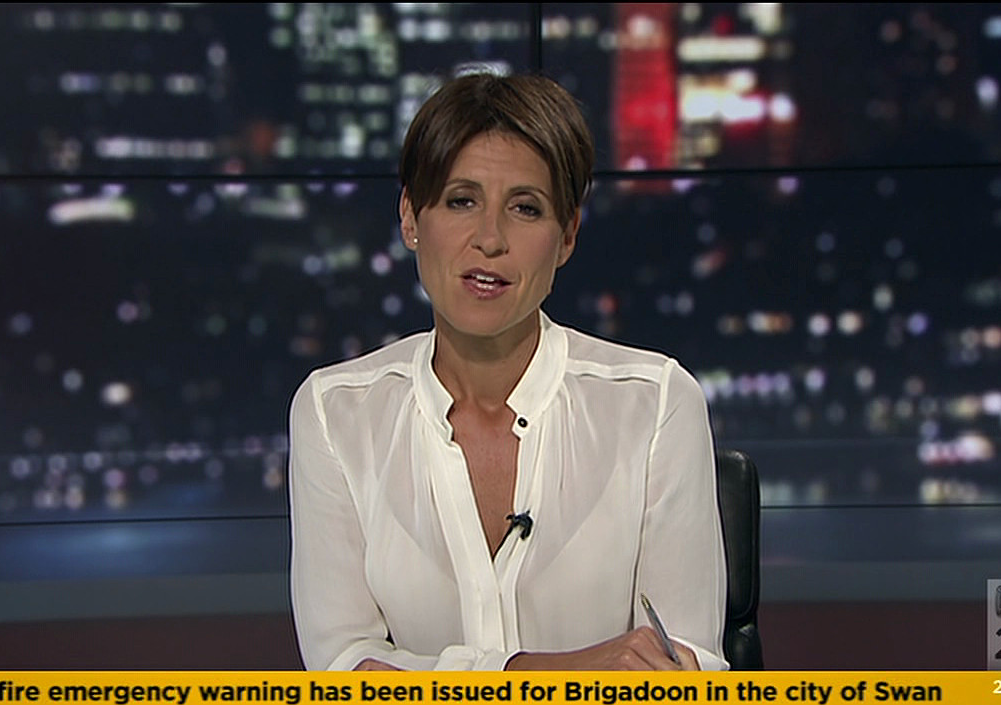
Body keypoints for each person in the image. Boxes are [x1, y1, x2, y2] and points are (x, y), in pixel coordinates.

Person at [288, 71, 727, 671]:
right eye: (461, 201)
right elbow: (343, 671)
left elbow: (685, 670)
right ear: (411, 217)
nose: (490, 239)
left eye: (525, 208)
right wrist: (549, 672)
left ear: (566, 236)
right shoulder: (335, 413)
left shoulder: (655, 405)